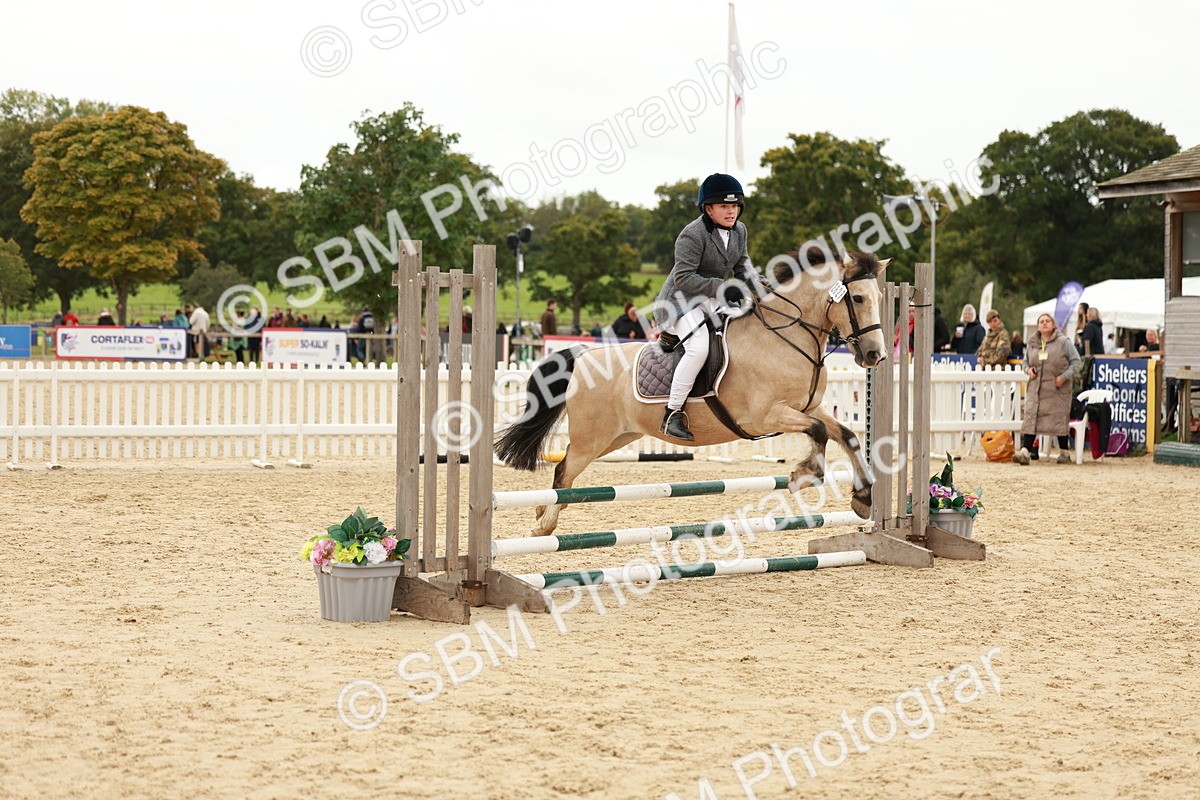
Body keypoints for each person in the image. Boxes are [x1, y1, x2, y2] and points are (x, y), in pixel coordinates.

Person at [654, 172, 765, 441]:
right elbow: (684, 277)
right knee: (698, 347)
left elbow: (743, 267)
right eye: (725, 206)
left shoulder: (739, 230)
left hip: (712, 300)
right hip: (679, 303)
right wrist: (724, 288)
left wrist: (765, 286)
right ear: (709, 209)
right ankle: (672, 413)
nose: (731, 211)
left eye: (735, 206)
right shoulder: (691, 235)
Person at [1013, 313, 1081, 465]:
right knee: (1031, 417)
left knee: (1058, 419)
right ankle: (1025, 452)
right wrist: (1028, 370)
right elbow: (1024, 362)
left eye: (1047, 321)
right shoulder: (1032, 343)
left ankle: (1064, 452)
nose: (1044, 323)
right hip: (1036, 389)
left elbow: (1077, 363)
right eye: (1041, 321)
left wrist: (1063, 377)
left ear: (1054, 325)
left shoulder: (1064, 342)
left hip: (1057, 390)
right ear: (1038, 326)